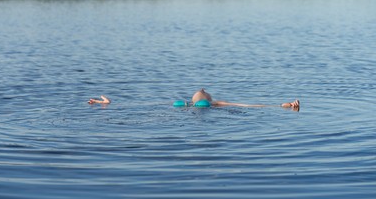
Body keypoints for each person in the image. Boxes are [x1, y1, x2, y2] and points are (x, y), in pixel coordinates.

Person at [88, 88, 300, 111]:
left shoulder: (186, 103)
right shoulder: (216, 103)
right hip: (203, 109)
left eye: (204, 90)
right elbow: (249, 106)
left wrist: (106, 104)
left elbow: (142, 106)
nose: (202, 89)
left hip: (184, 109)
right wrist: (282, 105)